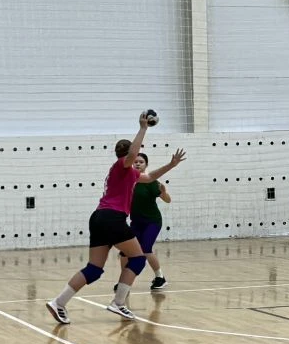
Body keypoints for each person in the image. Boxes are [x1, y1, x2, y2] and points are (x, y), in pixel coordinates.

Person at [46, 112, 185, 324]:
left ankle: (59, 302)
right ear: (128, 155)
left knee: (94, 269)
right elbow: (134, 153)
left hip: (98, 218)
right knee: (138, 258)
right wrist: (143, 128)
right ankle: (118, 303)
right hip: (112, 218)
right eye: (133, 154)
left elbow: (150, 177)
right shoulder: (121, 165)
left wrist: (170, 165)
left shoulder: (129, 173)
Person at [118, 153, 172, 291]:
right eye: (135, 161)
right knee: (125, 251)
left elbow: (167, 200)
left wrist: (164, 193)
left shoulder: (151, 182)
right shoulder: (128, 181)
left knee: (145, 250)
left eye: (141, 162)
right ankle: (124, 282)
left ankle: (160, 278)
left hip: (152, 222)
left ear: (146, 165)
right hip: (136, 222)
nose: (137, 164)